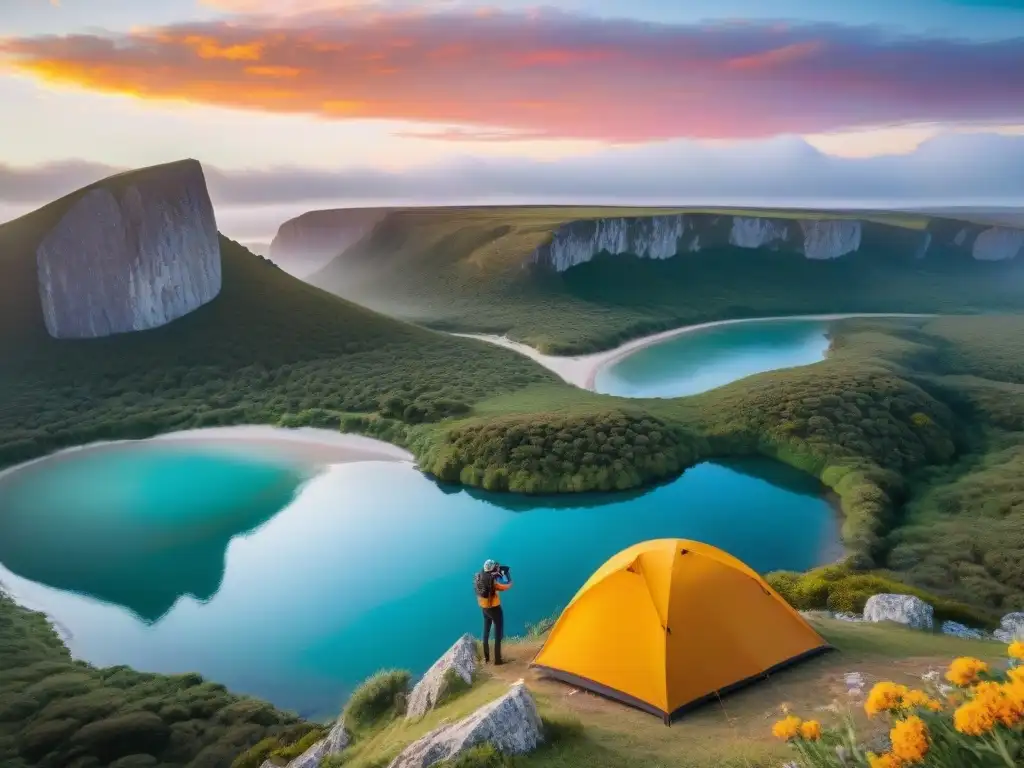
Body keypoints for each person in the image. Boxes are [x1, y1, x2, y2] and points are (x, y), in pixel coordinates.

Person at [475, 559, 512, 665]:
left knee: (486, 632)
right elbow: (505, 586)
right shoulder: (492, 582)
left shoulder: (480, 576)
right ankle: (498, 660)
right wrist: (508, 578)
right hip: (495, 609)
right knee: (498, 633)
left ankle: (487, 658)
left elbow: (490, 577)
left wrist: (496, 573)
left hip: (484, 609)